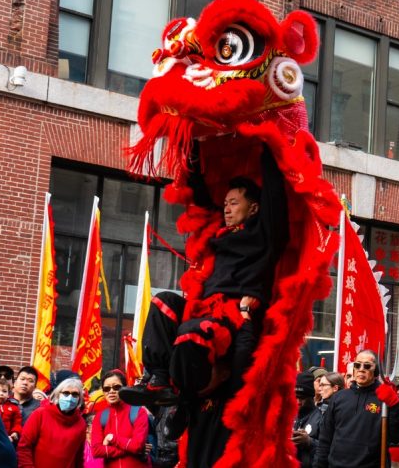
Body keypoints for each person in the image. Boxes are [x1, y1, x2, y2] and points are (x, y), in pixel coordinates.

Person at [120, 143, 289, 467]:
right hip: (203, 310)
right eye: (225, 203)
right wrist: (194, 148)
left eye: (234, 203)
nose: (226, 208)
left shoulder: (264, 235)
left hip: (232, 317)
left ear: (253, 209)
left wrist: (268, 143)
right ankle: (157, 378)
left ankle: (182, 398)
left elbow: (275, 200)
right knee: (162, 302)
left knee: (193, 332)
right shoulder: (219, 234)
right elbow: (200, 193)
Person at [315, 349, 399, 468]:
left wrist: (394, 406)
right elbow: (325, 439)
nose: (361, 369)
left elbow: (397, 436)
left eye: (367, 366)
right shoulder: (339, 397)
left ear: (376, 371)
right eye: (357, 365)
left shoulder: (384, 400)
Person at [18, 377, 87, 468]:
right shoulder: (40, 414)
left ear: (79, 398)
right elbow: (24, 447)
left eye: (75, 394)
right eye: (66, 393)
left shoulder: (81, 423)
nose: (70, 397)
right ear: (58, 394)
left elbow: (78, 456)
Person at [90, 369, 150, 467]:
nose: (111, 391)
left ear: (125, 388)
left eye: (116, 387)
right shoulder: (100, 416)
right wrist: (129, 450)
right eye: (106, 389)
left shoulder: (138, 412)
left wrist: (112, 438)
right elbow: (96, 451)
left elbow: (137, 446)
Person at [293, 370, 323, 468]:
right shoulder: (287, 417)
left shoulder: (321, 418)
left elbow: (329, 449)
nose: (298, 402)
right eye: (295, 397)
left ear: (311, 397)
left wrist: (309, 441)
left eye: (302, 398)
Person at [0, 377, 21, 445]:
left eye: (4, 391)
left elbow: (17, 422)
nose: (1, 393)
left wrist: (15, 432)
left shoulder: (14, 407)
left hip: (7, 439)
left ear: (8, 394)